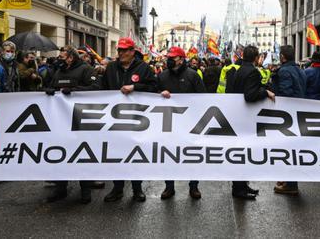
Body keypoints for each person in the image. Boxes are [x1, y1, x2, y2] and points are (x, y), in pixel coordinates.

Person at [102, 37, 158, 203]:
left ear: (133, 52)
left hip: (136, 120)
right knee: (116, 154)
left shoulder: (144, 68)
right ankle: (117, 188)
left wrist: (135, 87)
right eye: (119, 50)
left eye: (125, 50)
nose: (121, 53)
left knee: (135, 154)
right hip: (114, 119)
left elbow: (153, 87)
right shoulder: (111, 67)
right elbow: (102, 87)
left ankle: (137, 188)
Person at [45, 45, 98, 204]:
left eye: (62, 57)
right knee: (60, 154)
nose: (59, 59)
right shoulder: (59, 71)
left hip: (80, 120)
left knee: (81, 154)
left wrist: (75, 90)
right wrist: (49, 90)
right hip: (61, 121)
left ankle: (85, 190)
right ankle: (60, 188)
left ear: (70, 57)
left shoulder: (86, 69)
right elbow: (52, 86)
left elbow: (96, 88)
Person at [226, 45, 276, 199]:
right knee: (244, 152)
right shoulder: (253, 71)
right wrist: (265, 92)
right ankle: (239, 189)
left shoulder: (238, 69)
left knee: (241, 152)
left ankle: (241, 185)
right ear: (255, 58)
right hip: (246, 118)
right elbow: (250, 95)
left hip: (236, 116)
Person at [158, 46, 206, 200]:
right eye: (169, 57)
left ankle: (194, 187)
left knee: (192, 155)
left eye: (173, 58)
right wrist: (160, 94)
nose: (169, 60)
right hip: (168, 124)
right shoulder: (162, 76)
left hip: (190, 124)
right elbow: (152, 96)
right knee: (169, 155)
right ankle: (169, 187)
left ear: (181, 59)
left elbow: (202, 97)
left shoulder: (193, 75)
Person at [272, 45, 306, 196]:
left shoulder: (284, 70)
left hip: (288, 115)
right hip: (298, 113)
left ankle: (291, 184)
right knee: (292, 148)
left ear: (283, 57)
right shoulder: (299, 70)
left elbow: (286, 94)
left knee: (289, 149)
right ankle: (288, 180)